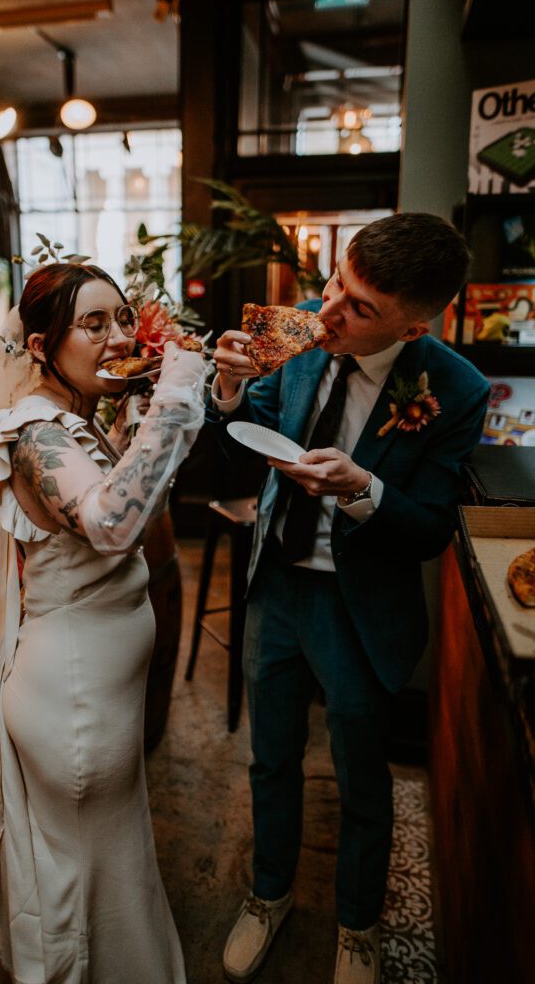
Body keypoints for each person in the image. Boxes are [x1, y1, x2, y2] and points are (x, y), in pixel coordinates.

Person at [207, 213, 490, 984]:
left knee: (362, 778)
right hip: (276, 587)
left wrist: (365, 488)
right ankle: (268, 896)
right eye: (334, 282)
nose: (327, 312)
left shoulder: (454, 390)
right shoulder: (299, 335)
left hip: (360, 611)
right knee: (269, 760)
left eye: (359, 308)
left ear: (413, 325)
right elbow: (253, 423)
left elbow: (431, 526)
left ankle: (358, 924)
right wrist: (230, 384)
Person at [0, 262, 207, 984]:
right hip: (70, 702)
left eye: (122, 319)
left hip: (102, 694)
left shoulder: (78, 419)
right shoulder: (32, 432)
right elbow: (110, 523)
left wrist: (162, 404)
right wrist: (173, 400)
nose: (118, 338)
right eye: (93, 324)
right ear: (40, 345)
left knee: (106, 863)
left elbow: (137, 498)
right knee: (74, 883)